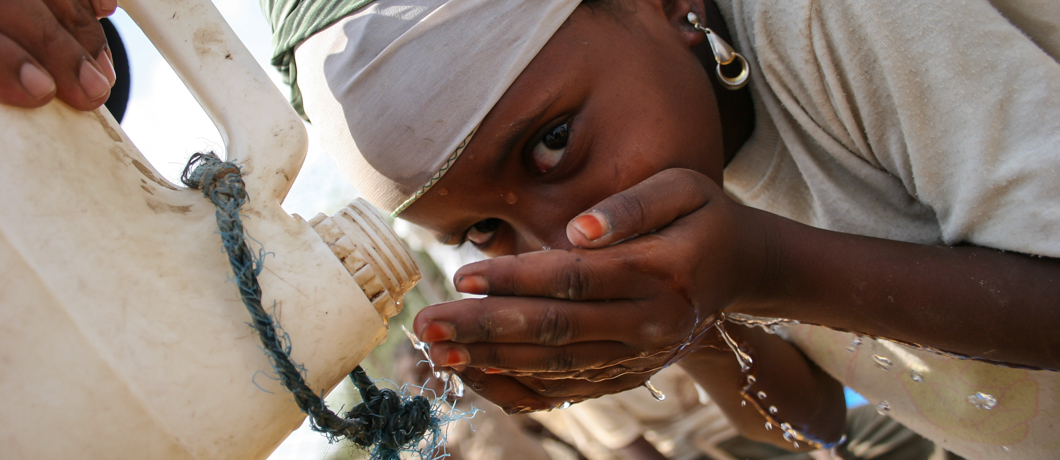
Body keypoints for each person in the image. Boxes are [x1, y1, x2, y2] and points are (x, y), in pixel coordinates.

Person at [3, 0, 1059, 458]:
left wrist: (762, 261)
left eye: (553, 143)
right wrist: (681, 327)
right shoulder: (684, 195)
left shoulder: (821, 24)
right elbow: (820, 416)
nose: (562, 238)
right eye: (490, 233)